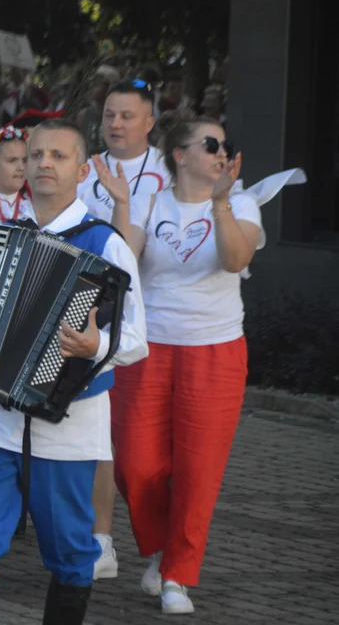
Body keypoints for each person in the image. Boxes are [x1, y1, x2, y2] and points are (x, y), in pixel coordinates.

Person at [0, 120, 148, 625]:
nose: (44, 164)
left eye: (57, 155)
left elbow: (137, 337)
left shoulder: (106, 242)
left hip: (68, 424)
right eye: (35, 155)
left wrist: (94, 343)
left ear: (81, 170)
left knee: (71, 552)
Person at [95, 117, 259, 615]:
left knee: (198, 470)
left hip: (215, 350)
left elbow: (234, 260)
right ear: (180, 155)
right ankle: (165, 548)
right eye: (211, 144)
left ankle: (177, 576)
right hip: (149, 348)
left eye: (227, 145)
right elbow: (122, 262)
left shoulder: (242, 203)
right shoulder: (149, 200)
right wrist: (122, 205)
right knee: (135, 465)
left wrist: (221, 202)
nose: (222, 152)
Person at [76, 78, 170, 578]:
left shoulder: (167, 174)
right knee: (99, 442)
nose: (115, 124)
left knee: (139, 455)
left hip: (146, 331)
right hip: (87, 324)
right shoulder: (83, 167)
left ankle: (159, 548)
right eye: (110, 114)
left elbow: (128, 256)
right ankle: (101, 541)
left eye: (127, 116)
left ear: (149, 122)